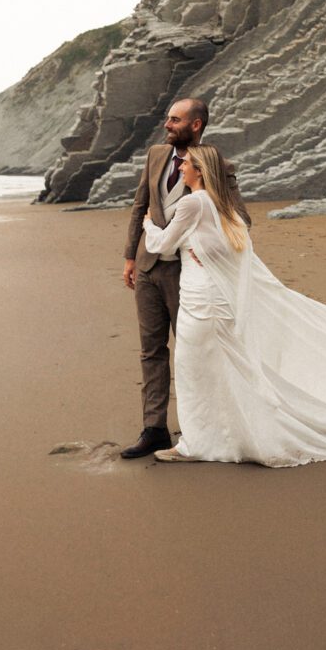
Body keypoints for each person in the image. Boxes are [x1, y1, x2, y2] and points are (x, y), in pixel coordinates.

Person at [141, 145, 326, 466]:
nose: (182, 168)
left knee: (193, 369)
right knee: (219, 369)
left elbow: (162, 244)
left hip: (200, 301)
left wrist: (148, 222)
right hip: (216, 299)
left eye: (187, 164)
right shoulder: (223, 206)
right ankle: (216, 436)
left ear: (199, 171)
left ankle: (200, 443)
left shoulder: (192, 204)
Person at [120, 100, 251, 459]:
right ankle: (155, 429)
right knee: (151, 351)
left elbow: (240, 221)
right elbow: (140, 206)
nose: (167, 125)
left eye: (174, 120)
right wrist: (131, 256)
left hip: (186, 276)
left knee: (198, 354)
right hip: (148, 269)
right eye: (167, 118)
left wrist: (200, 243)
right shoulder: (156, 155)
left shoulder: (217, 167)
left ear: (195, 125)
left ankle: (209, 429)